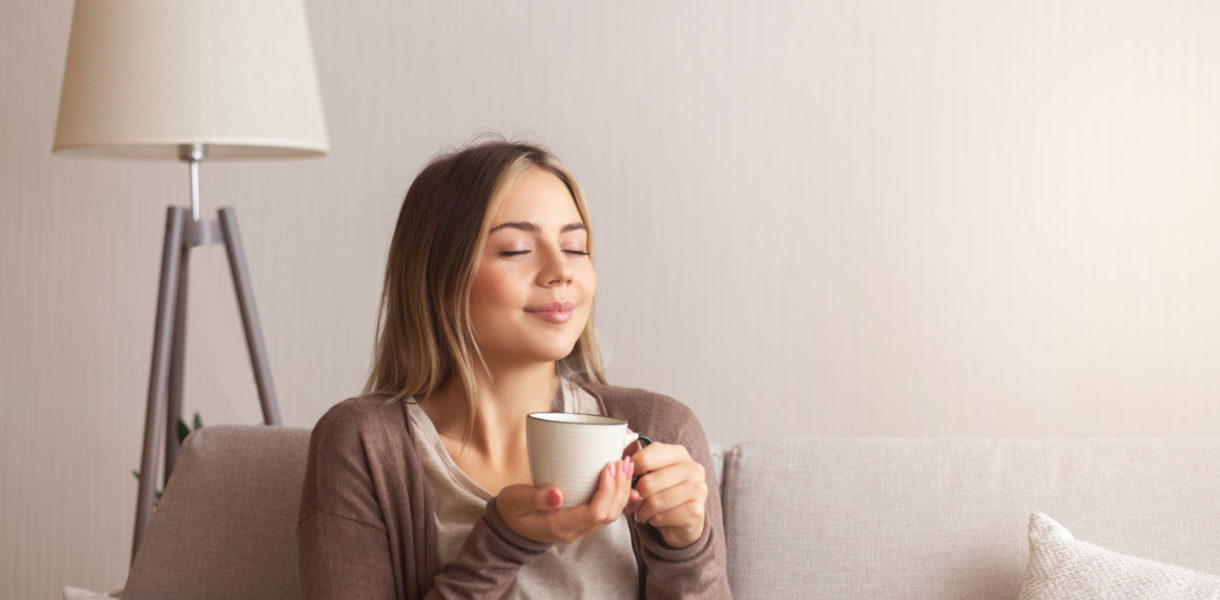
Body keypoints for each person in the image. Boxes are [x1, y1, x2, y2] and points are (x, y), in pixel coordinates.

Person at [297, 138, 731, 599]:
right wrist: (503, 541)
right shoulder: (364, 446)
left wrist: (684, 548)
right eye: (517, 250)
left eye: (575, 247)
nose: (560, 270)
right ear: (439, 275)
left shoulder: (662, 430)